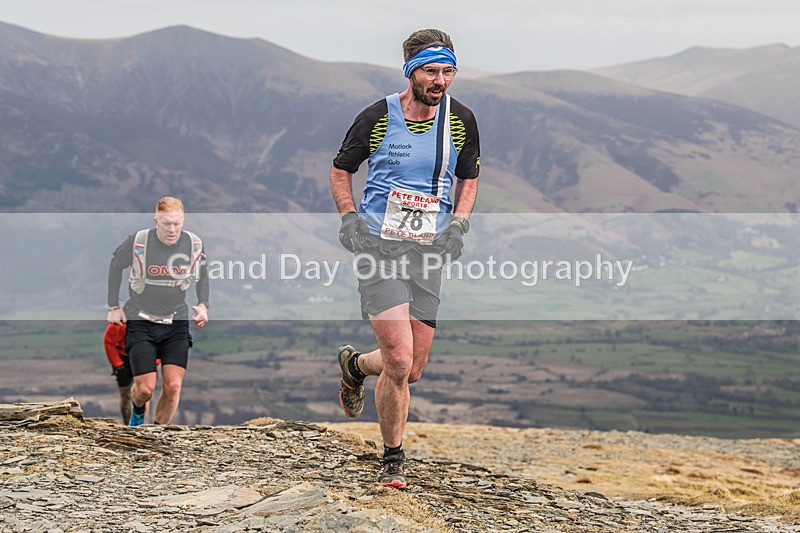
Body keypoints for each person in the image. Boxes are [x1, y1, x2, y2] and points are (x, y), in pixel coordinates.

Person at [330, 28, 480, 488]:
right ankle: (393, 458)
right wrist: (349, 218)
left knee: (412, 369)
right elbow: (341, 170)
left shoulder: (461, 120)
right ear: (412, 72)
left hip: (428, 250)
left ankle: (355, 366)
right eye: (432, 71)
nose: (441, 81)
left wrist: (459, 224)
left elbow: (469, 177)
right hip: (378, 247)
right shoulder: (377, 117)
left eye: (448, 71)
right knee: (397, 361)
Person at [107, 196, 209, 427]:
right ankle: (138, 412)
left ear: (183, 221)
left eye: (176, 223)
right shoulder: (139, 242)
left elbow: (203, 275)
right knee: (145, 389)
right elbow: (115, 265)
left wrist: (203, 305)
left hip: (176, 321)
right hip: (141, 320)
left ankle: (157, 433)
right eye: (166, 224)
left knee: (173, 386)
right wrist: (113, 307)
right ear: (156, 221)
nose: (172, 229)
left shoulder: (193, 244)